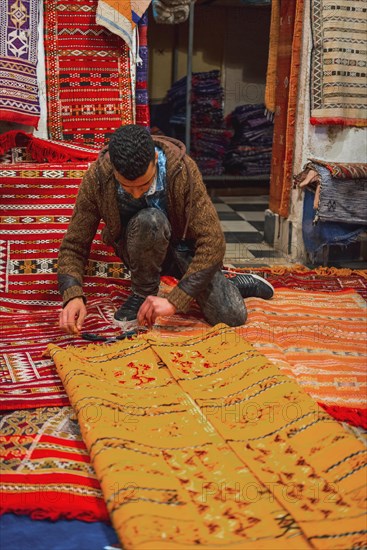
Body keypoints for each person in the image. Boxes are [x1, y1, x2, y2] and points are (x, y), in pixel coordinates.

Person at [58, 124, 273, 335]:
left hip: (183, 251)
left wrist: (174, 300)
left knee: (232, 316)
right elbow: (74, 244)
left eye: (143, 186)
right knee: (150, 220)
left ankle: (234, 282)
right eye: (126, 187)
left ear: (154, 158)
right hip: (140, 251)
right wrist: (72, 295)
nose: (135, 194)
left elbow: (213, 241)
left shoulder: (182, 171)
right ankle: (142, 292)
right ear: (113, 168)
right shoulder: (97, 177)